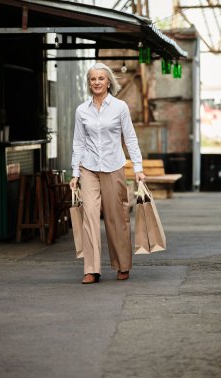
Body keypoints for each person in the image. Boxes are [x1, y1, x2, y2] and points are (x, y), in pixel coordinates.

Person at [69, 62, 145, 284]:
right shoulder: (81, 110)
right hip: (89, 167)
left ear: (109, 81)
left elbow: (130, 137)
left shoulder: (120, 107)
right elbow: (78, 143)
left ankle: (122, 264)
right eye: (93, 79)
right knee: (90, 217)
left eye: (101, 78)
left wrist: (138, 168)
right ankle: (91, 269)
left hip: (114, 167)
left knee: (116, 217)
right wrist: (75, 173)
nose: (97, 82)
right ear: (89, 83)